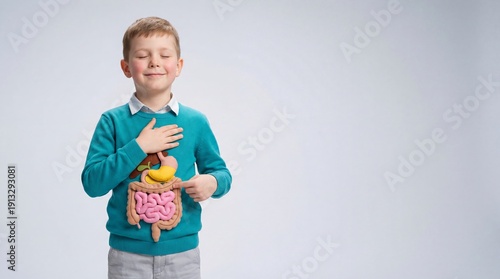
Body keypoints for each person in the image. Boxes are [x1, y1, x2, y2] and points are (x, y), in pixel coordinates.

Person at [81, 16, 232, 279]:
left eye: (164, 55)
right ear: (126, 67)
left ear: (179, 65)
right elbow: (93, 184)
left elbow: (221, 173)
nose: (154, 62)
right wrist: (139, 146)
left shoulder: (195, 121)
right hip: (127, 257)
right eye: (142, 55)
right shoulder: (112, 121)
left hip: (182, 256)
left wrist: (212, 183)